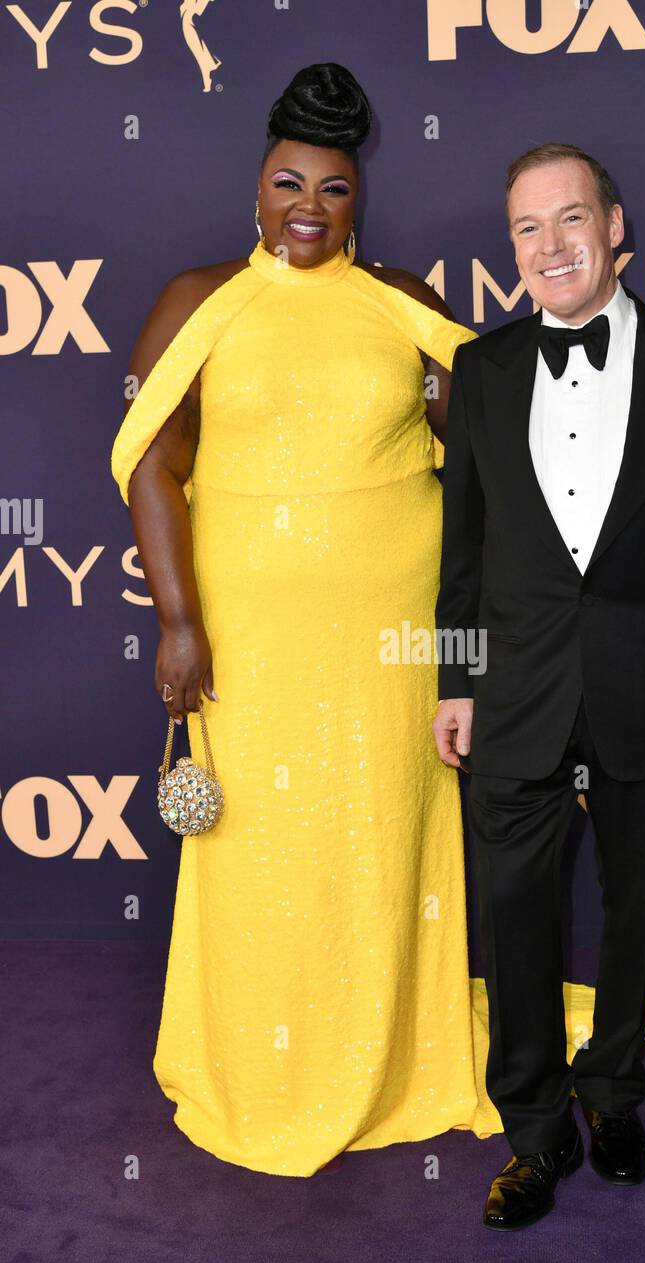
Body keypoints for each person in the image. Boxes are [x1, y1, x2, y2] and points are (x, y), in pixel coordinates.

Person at [109, 62, 500, 1176]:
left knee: (381, 828)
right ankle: (261, 1062)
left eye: (333, 191)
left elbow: (476, 434)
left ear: (357, 197)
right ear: (257, 188)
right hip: (253, 633)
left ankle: (395, 1056)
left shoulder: (402, 299)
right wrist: (179, 621)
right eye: (289, 184)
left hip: (390, 631)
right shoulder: (200, 299)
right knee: (267, 846)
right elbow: (151, 457)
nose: (308, 210)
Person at [433, 143, 645, 1230]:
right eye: (526, 230)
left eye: (569, 219)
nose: (549, 246)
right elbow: (464, 547)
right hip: (518, 693)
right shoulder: (483, 370)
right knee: (516, 918)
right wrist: (455, 676)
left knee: (637, 910)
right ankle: (533, 1131)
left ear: (616, 226)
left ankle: (613, 1090)